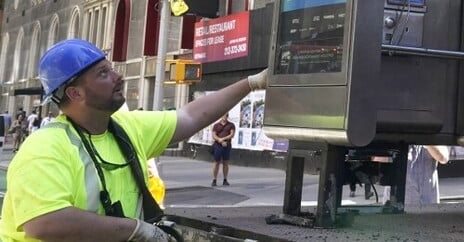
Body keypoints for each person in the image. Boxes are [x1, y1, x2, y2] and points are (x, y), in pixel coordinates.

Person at [0, 38, 269, 242]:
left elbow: (190, 115)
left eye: (111, 69)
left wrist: (252, 83)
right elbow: (45, 222)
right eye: (103, 73)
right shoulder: (45, 147)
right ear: (75, 93)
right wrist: (137, 230)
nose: (118, 77)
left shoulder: (127, 127)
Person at [211, 114, 236, 186]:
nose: (224, 117)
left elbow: (232, 134)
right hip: (218, 145)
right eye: (223, 116)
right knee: (216, 162)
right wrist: (220, 140)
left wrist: (224, 139)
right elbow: (214, 135)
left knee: (225, 162)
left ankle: (225, 179)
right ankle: (214, 179)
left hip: (227, 145)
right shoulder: (216, 125)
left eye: (225, 116)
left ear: (227, 117)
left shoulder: (231, 125)